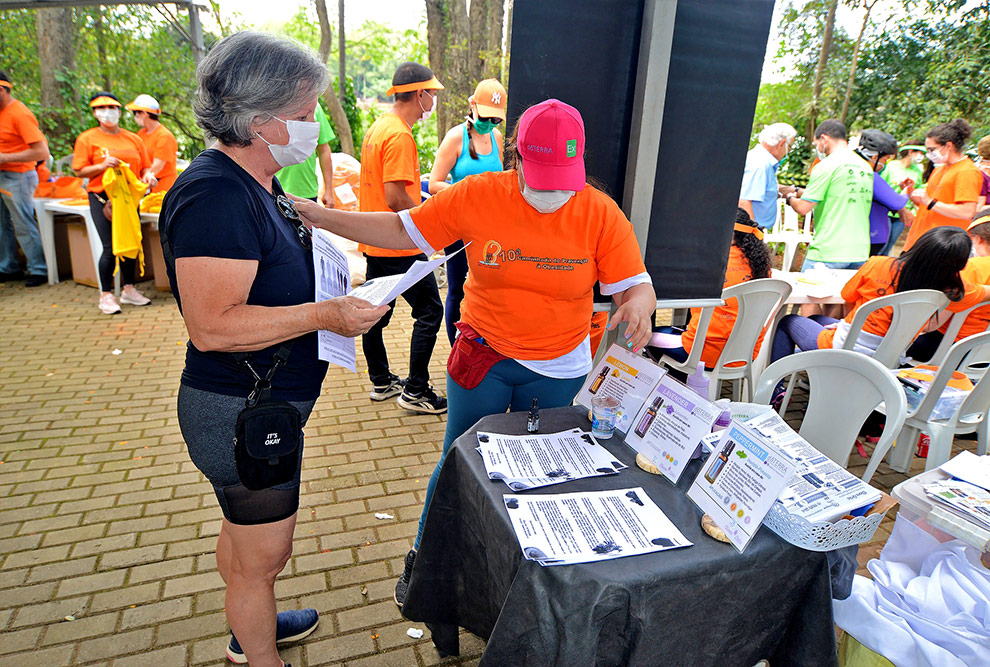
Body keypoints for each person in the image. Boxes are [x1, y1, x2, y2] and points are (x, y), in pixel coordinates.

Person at [291, 98, 657, 608]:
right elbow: (402, 230)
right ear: (518, 156)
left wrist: (639, 305)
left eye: (563, 178)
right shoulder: (480, 193)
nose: (552, 190)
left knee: (543, 473)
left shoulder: (599, 211)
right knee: (459, 462)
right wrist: (320, 216)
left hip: (555, 368)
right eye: (542, 174)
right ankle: (425, 560)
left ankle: (528, 583)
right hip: (483, 356)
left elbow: (635, 285)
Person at [160, 32, 388, 667]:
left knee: (244, 536)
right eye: (306, 113)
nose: (315, 125)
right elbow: (212, 325)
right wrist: (328, 314)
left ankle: (248, 618)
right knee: (265, 555)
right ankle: (259, 653)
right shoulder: (217, 195)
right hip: (240, 409)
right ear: (260, 122)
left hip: (259, 405)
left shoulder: (257, 182)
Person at [357, 61, 447, 414]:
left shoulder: (381, 126)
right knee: (429, 311)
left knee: (376, 313)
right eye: (433, 94)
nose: (434, 99)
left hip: (377, 240)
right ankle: (416, 390)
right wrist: (427, 223)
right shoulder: (399, 135)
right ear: (420, 94)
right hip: (398, 244)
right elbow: (395, 196)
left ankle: (381, 381)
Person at [770, 226, 990, 366]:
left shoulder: (879, 264)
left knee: (788, 321)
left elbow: (847, 297)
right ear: (960, 263)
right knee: (819, 321)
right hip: (890, 357)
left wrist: (850, 325)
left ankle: (775, 392)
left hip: (845, 349)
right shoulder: (954, 289)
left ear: (921, 245)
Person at [428, 78, 506, 344]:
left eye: (497, 120)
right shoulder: (455, 137)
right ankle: (455, 351)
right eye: (486, 117)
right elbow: (434, 183)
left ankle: (483, 346)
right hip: (460, 228)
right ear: (472, 106)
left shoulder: (496, 138)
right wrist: (468, 193)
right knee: (458, 288)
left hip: (490, 229)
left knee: (487, 289)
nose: (491, 124)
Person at [647, 208, 770, 367]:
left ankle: (682, 383)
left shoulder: (710, 262)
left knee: (644, 335)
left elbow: (679, 289)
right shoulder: (761, 264)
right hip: (745, 354)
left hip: (703, 352)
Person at [72, 92, 155, 314]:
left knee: (130, 244)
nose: (108, 112)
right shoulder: (87, 138)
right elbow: (78, 169)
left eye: (113, 107)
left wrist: (147, 176)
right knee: (110, 247)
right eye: (103, 108)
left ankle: (129, 289)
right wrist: (102, 166)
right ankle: (106, 294)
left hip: (129, 198)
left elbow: (145, 166)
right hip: (103, 198)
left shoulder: (133, 138)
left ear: (119, 111)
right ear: (95, 113)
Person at [786, 119, 873, 272]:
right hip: (860, 251)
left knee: (808, 295)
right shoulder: (865, 166)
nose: (818, 148)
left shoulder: (826, 165)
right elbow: (837, 195)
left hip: (828, 251)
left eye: (816, 144)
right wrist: (800, 191)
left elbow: (803, 208)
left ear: (824, 138)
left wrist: (789, 198)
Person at [907, 207, 990, 361]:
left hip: (949, 349)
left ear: (977, 239)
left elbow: (932, 324)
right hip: (982, 355)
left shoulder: (970, 268)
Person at [0, 69, 50, 286]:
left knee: (22, 223)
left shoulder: (20, 114)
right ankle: (8, 266)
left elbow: (41, 152)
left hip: (19, 176)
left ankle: (38, 269)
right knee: (2, 224)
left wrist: (4, 157)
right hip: (2, 175)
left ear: (1, 89)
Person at [901, 119, 982, 252]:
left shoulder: (967, 171)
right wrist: (910, 192)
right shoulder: (939, 168)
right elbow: (927, 205)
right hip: (919, 241)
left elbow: (967, 211)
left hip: (940, 248)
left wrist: (930, 202)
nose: (929, 154)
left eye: (932, 149)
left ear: (948, 146)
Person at [853, 129, 913, 256]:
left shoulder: (854, 171)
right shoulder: (870, 175)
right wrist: (906, 191)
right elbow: (897, 202)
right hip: (873, 236)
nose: (883, 164)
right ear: (875, 157)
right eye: (885, 160)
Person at [738, 122, 797, 230]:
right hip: (751, 230)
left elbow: (766, 188)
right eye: (789, 147)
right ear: (781, 144)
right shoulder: (759, 165)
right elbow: (744, 201)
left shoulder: (763, 162)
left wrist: (796, 190)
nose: (788, 152)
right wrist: (753, 236)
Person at [275, 103, 335, 206]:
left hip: (306, 189)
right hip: (275, 189)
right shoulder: (270, 104)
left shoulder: (313, 105)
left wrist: (329, 190)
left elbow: (324, 149)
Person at [879, 139, 925, 255]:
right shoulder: (891, 166)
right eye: (920, 152)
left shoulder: (917, 171)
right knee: (881, 244)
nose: (922, 156)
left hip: (903, 214)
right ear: (910, 152)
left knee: (889, 245)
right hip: (886, 212)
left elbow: (916, 193)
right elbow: (882, 186)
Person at [125, 94, 179, 192]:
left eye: (135, 112)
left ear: (144, 113)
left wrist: (144, 178)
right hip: (146, 185)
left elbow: (157, 166)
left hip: (163, 187)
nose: (135, 116)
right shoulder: (141, 134)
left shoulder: (164, 136)